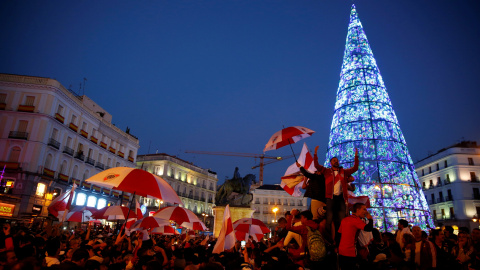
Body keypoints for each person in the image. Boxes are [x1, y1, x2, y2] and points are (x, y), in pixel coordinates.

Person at [313, 146, 359, 243]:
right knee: (329, 219)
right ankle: (328, 239)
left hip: (341, 198)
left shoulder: (344, 172)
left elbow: (355, 168)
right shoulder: (326, 171)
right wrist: (315, 154)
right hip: (330, 198)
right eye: (334, 160)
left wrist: (356, 156)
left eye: (337, 160)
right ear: (331, 163)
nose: (336, 161)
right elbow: (317, 166)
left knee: (342, 219)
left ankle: (341, 238)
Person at [337, 202, 373, 270]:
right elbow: (368, 228)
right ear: (358, 210)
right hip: (350, 252)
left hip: (341, 251)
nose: (366, 212)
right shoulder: (356, 220)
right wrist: (370, 219)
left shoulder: (345, 219)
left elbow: (339, 234)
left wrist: (337, 247)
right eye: (364, 209)